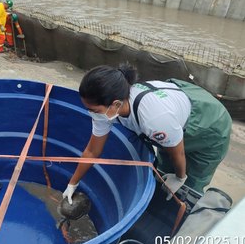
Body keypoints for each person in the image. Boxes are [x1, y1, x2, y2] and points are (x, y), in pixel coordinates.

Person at [63, 63, 232, 204]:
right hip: (174, 116)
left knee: (189, 187)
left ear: (115, 104)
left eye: (93, 110)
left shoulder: (154, 118)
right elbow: (92, 151)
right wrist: (73, 183)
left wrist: (180, 177)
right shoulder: (106, 109)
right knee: (163, 173)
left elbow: (178, 151)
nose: (91, 113)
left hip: (209, 126)